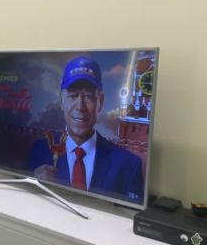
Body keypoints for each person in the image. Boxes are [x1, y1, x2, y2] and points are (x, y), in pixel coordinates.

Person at [29, 56, 144, 203]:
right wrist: (34, 187)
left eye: (88, 96)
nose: (80, 106)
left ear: (100, 101)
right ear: (61, 100)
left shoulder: (128, 165)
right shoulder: (38, 152)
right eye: (73, 96)